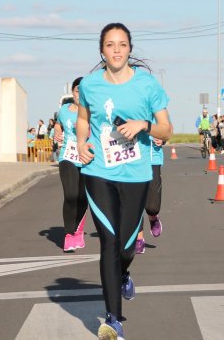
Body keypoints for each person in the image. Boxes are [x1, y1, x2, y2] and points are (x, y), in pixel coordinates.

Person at [76, 22, 172, 340]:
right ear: (101, 51)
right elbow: (83, 119)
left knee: (127, 246)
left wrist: (143, 124)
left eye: (122, 44)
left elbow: (166, 129)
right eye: (110, 45)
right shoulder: (90, 86)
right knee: (109, 242)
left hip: (136, 174)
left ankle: (124, 271)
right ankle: (113, 320)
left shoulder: (147, 85)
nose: (116, 50)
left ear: (130, 49)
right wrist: (81, 143)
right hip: (98, 172)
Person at [54, 77, 89, 252]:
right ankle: (69, 234)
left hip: (88, 158)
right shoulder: (63, 110)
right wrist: (57, 131)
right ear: (73, 92)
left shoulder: (93, 112)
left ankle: (78, 230)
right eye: (77, 91)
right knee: (70, 195)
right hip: (67, 156)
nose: (80, 94)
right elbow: (58, 124)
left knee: (82, 197)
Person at [134, 126, 169, 254]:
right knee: (135, 202)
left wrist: (163, 139)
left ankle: (153, 217)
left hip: (153, 159)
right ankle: (139, 239)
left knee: (152, 207)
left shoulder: (156, 110)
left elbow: (167, 129)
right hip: (133, 161)